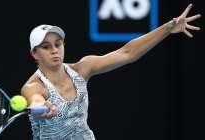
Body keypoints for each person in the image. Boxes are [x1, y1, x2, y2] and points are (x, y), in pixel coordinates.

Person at [21, 4, 201, 140]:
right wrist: (43, 108)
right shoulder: (34, 86)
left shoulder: (82, 68)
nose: (54, 50)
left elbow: (127, 52)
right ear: (34, 53)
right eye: (46, 47)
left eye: (58, 44)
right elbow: (35, 101)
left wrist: (169, 27)